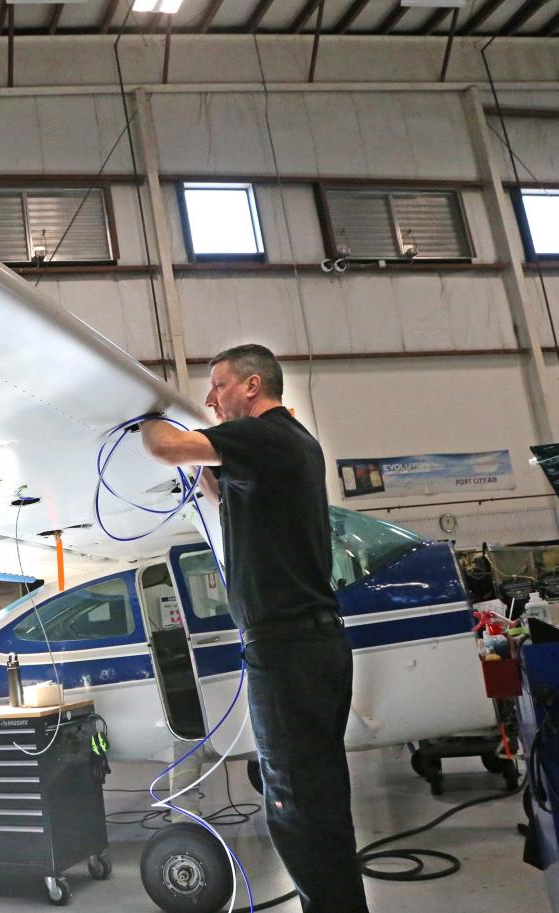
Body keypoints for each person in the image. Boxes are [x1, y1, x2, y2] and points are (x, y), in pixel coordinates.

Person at [139, 343, 369, 913]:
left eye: (217, 385)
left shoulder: (266, 436)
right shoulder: (283, 447)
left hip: (287, 647)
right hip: (305, 644)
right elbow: (221, 490)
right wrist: (204, 456)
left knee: (296, 806)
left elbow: (167, 447)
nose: (210, 398)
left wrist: (144, 411)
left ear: (251, 385)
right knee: (312, 798)